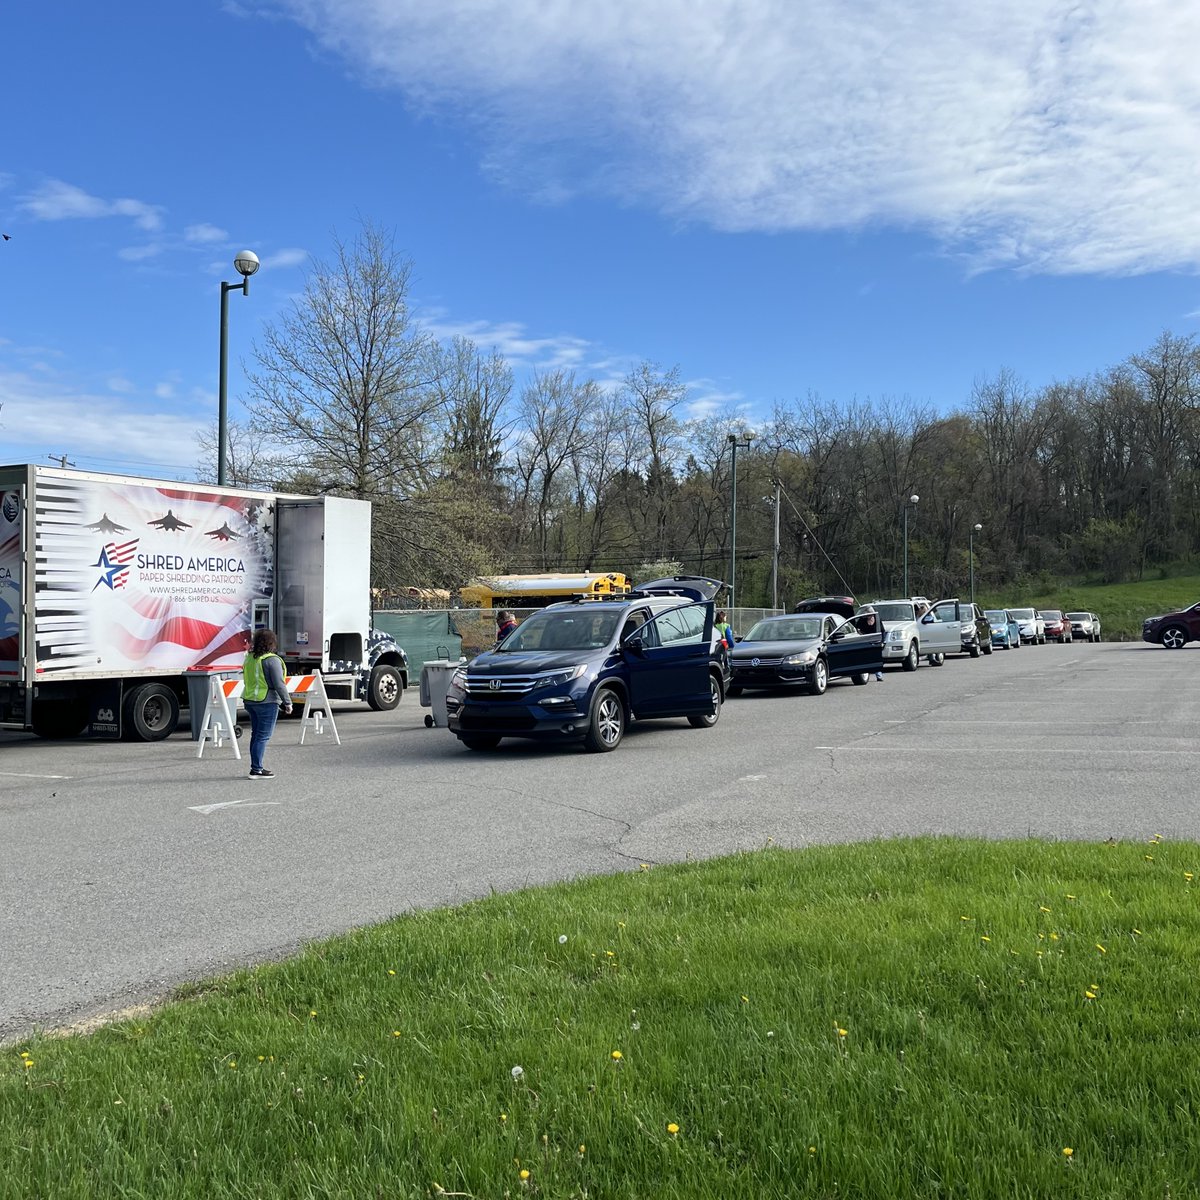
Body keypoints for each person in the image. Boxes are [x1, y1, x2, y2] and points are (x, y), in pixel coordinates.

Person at [242, 628, 292, 779]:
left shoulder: (250, 658)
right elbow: (279, 684)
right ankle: (256, 769)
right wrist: (287, 702)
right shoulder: (272, 660)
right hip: (267, 701)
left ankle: (255, 767)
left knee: (256, 735)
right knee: (262, 737)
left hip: (250, 700)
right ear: (272, 642)